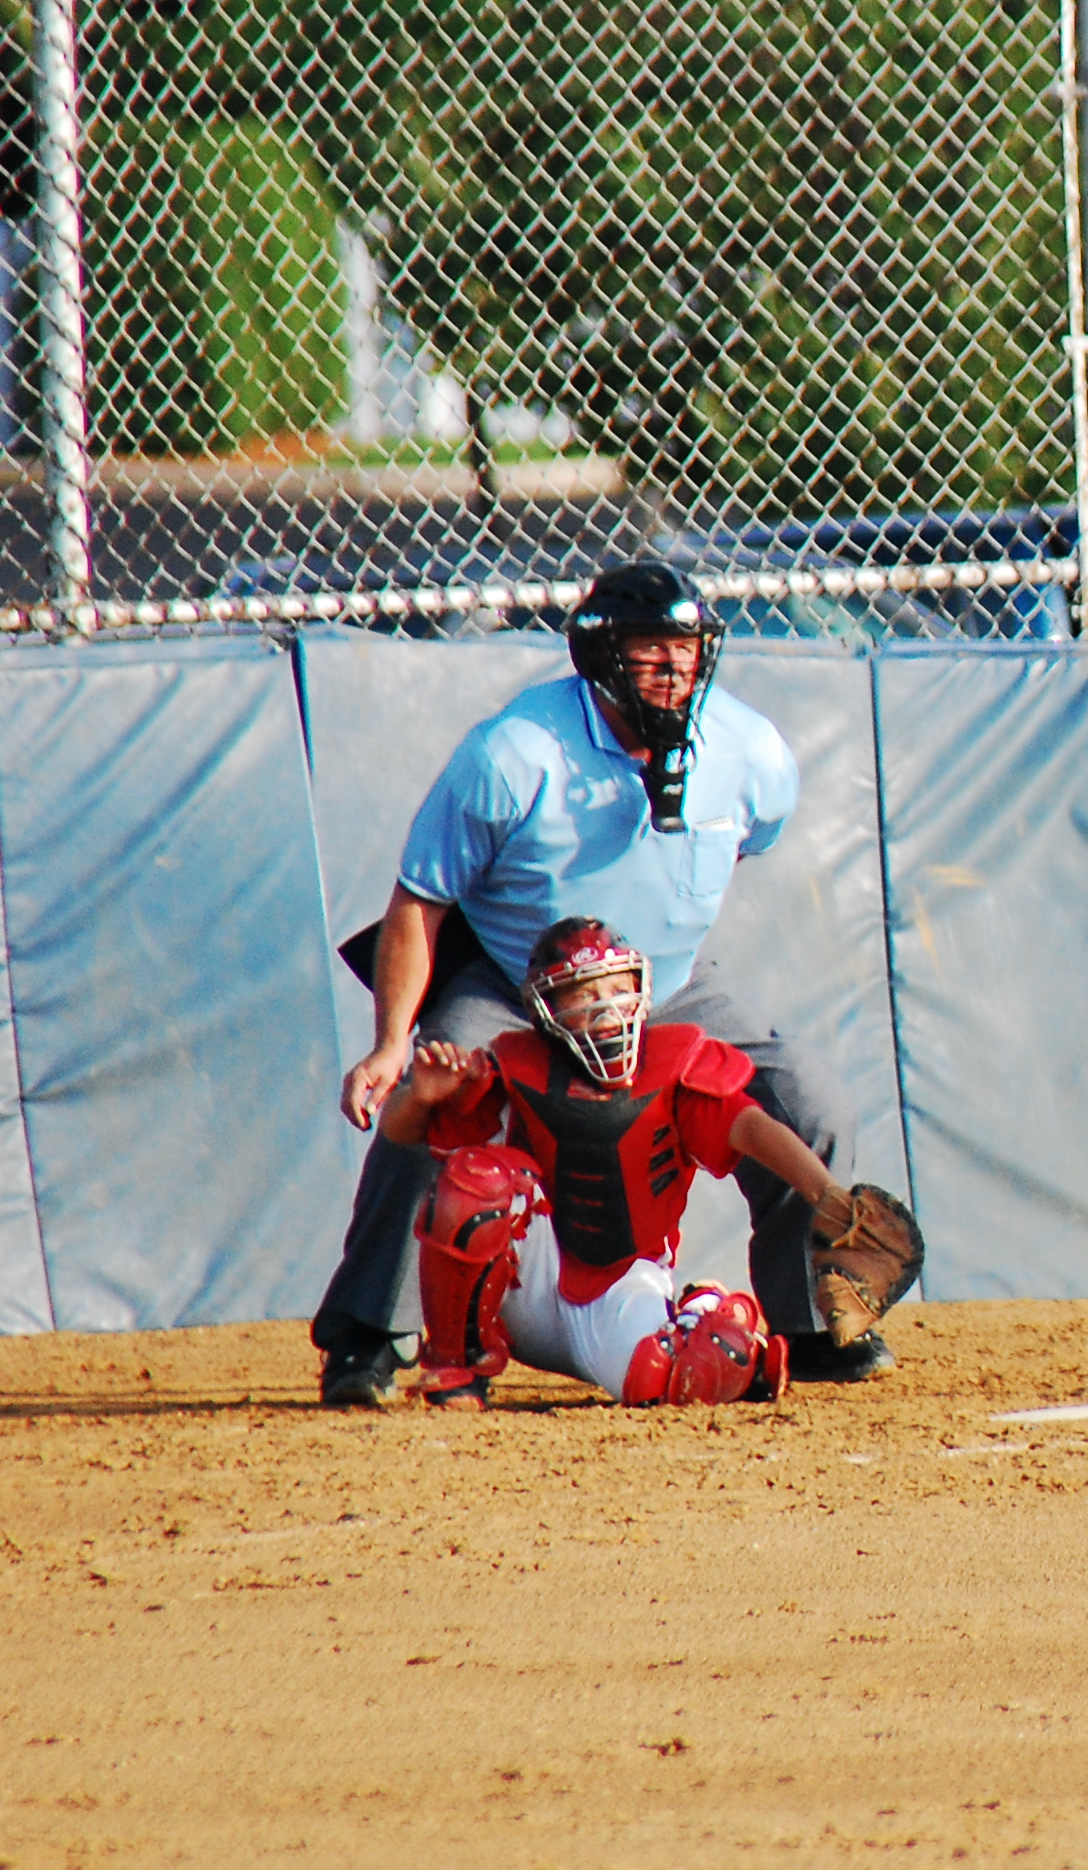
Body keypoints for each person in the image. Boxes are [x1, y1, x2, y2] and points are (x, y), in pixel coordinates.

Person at [313, 561, 893, 1405]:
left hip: (663, 987)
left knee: (810, 1103)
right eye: (649, 649)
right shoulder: (513, 753)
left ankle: (808, 1324)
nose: (674, 666)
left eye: (687, 649)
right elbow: (420, 899)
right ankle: (369, 1334)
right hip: (518, 985)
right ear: (599, 656)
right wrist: (392, 1041)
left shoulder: (752, 753)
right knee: (427, 1098)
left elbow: (743, 843)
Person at [382, 917, 859, 1408]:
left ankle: (701, 1313)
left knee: (675, 1378)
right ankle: (457, 1364)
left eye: (617, 989)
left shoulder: (674, 1063)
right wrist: (419, 1098)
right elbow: (402, 1133)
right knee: (476, 1182)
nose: (606, 1008)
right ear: (547, 1008)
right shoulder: (514, 1063)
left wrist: (828, 1195)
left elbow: (753, 1128)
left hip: (623, 1286)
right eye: (584, 994)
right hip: (531, 1284)